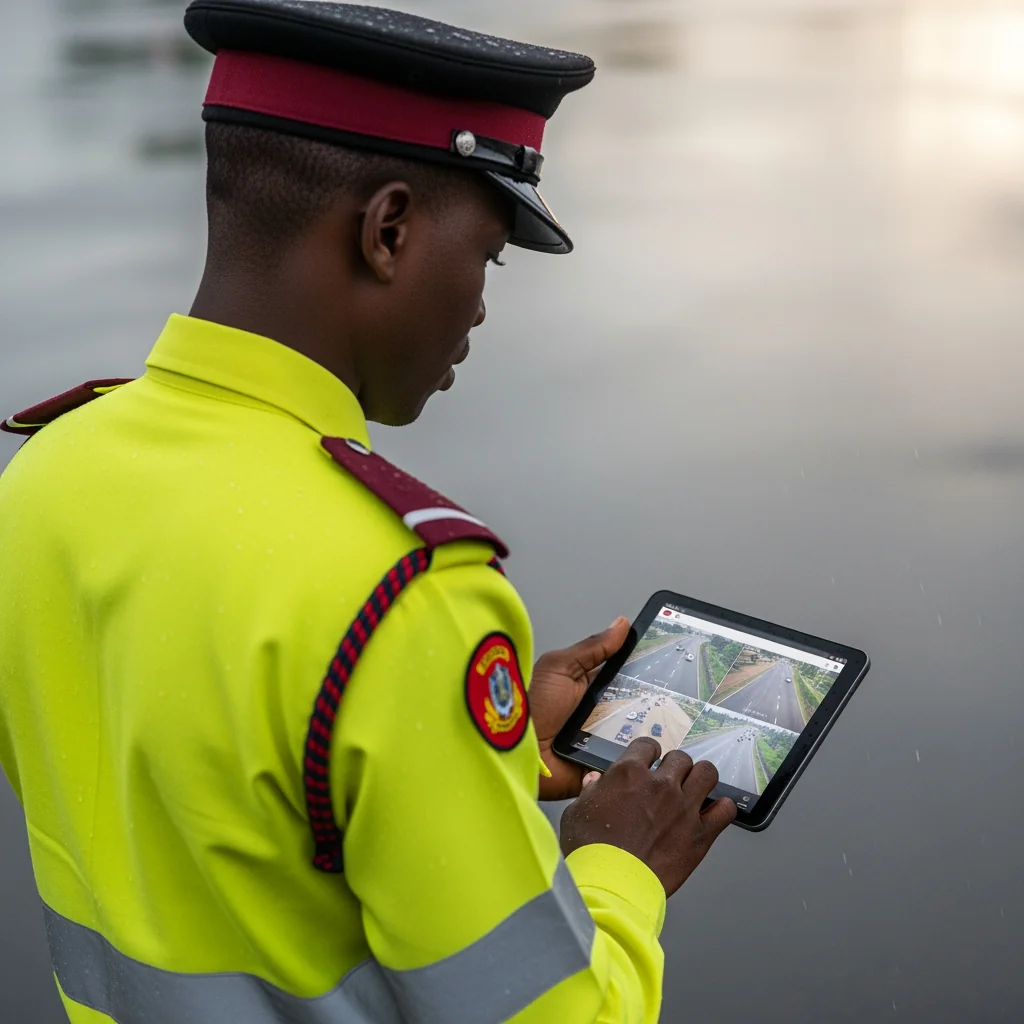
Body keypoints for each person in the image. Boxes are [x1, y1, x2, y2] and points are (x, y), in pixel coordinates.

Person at [0, 2, 736, 1022]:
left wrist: (489, 753)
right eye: (486, 253)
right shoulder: (401, 596)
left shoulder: (49, 472)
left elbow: (220, 792)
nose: (480, 303)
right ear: (388, 231)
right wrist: (619, 866)